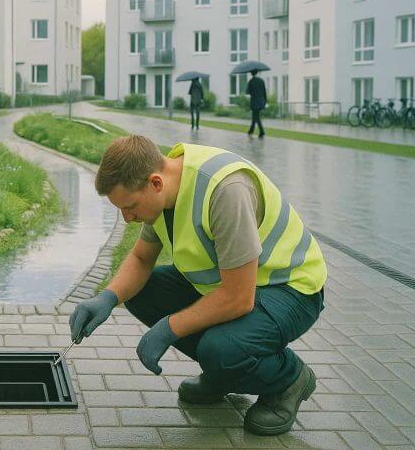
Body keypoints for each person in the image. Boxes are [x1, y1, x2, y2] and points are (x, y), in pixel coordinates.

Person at [69, 135, 326, 436]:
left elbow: (238, 298)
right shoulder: (165, 189)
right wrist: (108, 298)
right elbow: (140, 258)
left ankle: (289, 378)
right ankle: (224, 375)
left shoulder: (225, 191)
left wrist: (169, 327)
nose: (127, 219)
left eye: (130, 207)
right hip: (233, 285)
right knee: (141, 293)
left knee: (221, 350)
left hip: (289, 288)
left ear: (154, 183)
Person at [246, 70, 266, 138]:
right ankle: (250, 131)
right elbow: (264, 92)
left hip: (254, 103)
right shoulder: (261, 81)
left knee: (256, 117)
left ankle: (262, 131)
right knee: (255, 117)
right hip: (261, 102)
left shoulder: (251, 81)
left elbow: (248, 92)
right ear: (257, 73)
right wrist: (265, 102)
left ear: (251, 73)